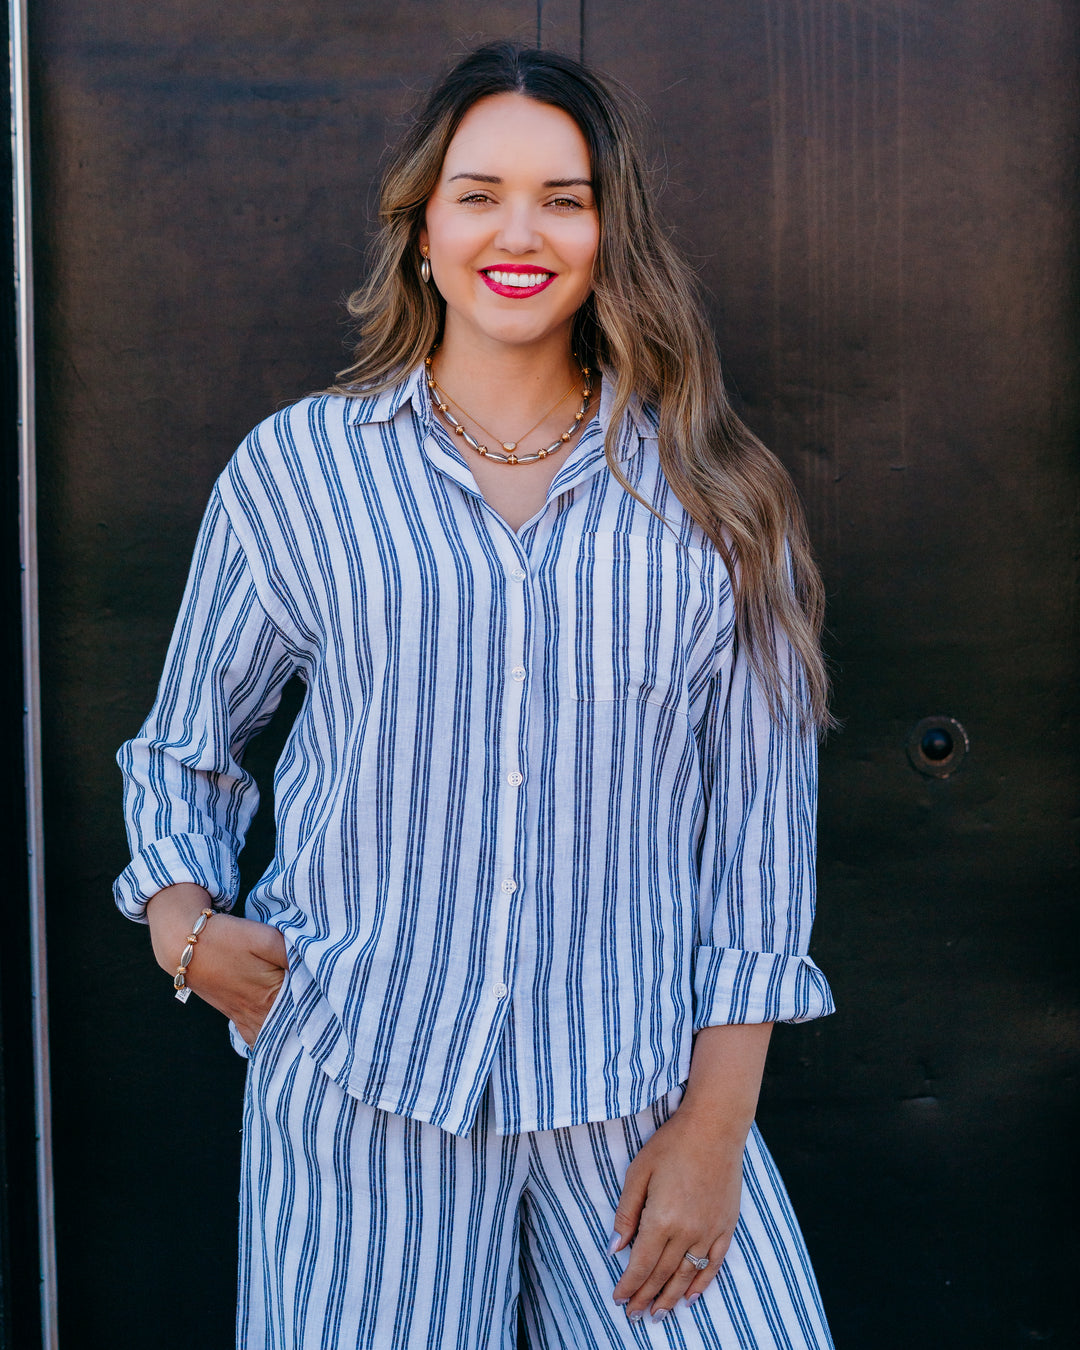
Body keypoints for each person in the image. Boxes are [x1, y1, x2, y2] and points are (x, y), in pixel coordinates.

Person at [115, 40, 836, 1350]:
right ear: (423, 231)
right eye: (479, 194)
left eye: (564, 199)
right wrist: (183, 928)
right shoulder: (301, 474)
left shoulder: (718, 498)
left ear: (611, 235)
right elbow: (184, 751)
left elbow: (758, 843)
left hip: (634, 1095)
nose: (520, 232)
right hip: (361, 1086)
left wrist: (715, 1131)